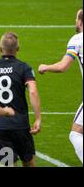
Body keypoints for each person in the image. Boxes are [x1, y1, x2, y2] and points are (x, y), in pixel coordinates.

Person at [0, 32, 41, 167]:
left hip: (1, 127)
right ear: (18, 49)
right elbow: (33, 91)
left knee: (8, 164)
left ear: (0, 48)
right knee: (28, 162)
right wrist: (38, 118)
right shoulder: (24, 67)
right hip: (21, 126)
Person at [38, 9, 83, 163]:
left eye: (76, 18)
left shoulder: (77, 40)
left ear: (80, 22)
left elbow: (63, 66)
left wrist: (45, 67)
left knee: (75, 134)